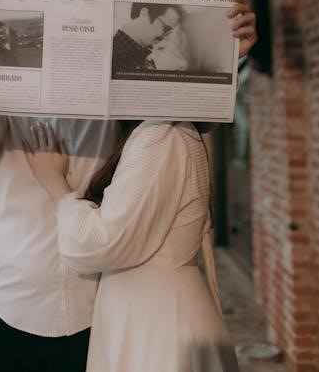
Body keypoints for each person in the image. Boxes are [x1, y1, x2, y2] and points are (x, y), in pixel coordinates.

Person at [0, 0, 257, 372]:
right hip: (13, 306)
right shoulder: (7, 85)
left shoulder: (128, 85)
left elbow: (186, 119)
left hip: (98, 313)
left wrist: (224, 50)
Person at [24, 119, 238, 372]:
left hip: (157, 320)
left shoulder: (160, 136)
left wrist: (53, 180)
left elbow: (99, 243)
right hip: (154, 311)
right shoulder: (170, 132)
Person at [111, 2, 186, 75]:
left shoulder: (143, 59)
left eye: (168, 33)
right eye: (165, 28)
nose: (163, 38)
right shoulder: (112, 56)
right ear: (144, 13)